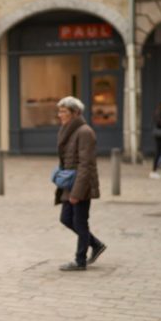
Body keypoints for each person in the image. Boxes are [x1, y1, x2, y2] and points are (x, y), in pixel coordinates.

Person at [55, 96, 106, 272]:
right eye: (59, 111)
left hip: (81, 184)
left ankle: (80, 260)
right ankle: (96, 244)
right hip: (70, 183)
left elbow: (86, 164)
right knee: (66, 218)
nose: (59, 114)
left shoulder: (85, 132)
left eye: (63, 111)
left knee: (80, 222)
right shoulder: (67, 130)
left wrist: (77, 193)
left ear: (75, 113)